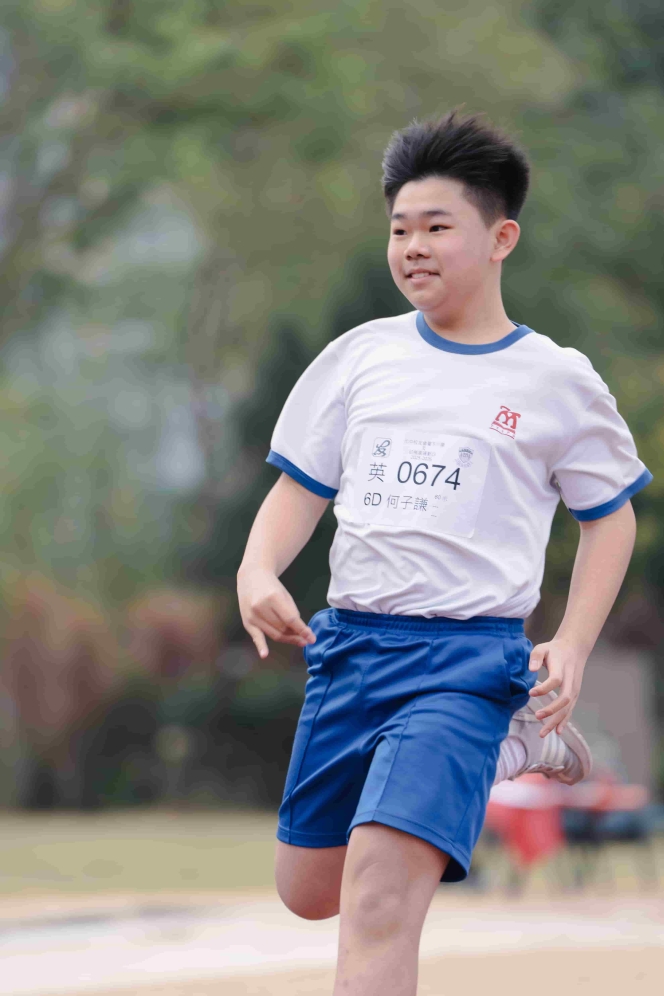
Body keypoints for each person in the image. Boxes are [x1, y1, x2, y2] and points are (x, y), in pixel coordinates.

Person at [236, 111, 651, 996]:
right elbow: (298, 491)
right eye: (400, 230)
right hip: (351, 649)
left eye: (436, 227)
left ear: (501, 238)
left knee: (378, 895)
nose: (413, 247)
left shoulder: (555, 379)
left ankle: (495, 727)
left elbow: (610, 519)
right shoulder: (360, 358)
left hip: (466, 661)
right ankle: (519, 746)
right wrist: (256, 570)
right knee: (310, 892)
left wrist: (573, 643)